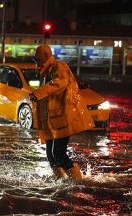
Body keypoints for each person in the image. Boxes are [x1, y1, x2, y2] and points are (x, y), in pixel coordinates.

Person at [29, 44, 95, 180]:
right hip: (52, 120)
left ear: (46, 56)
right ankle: (59, 179)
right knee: (50, 153)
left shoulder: (58, 66)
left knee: (58, 152)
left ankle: (77, 181)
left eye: (37, 56)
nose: (34, 59)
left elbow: (59, 83)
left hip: (61, 118)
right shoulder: (47, 69)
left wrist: (38, 93)